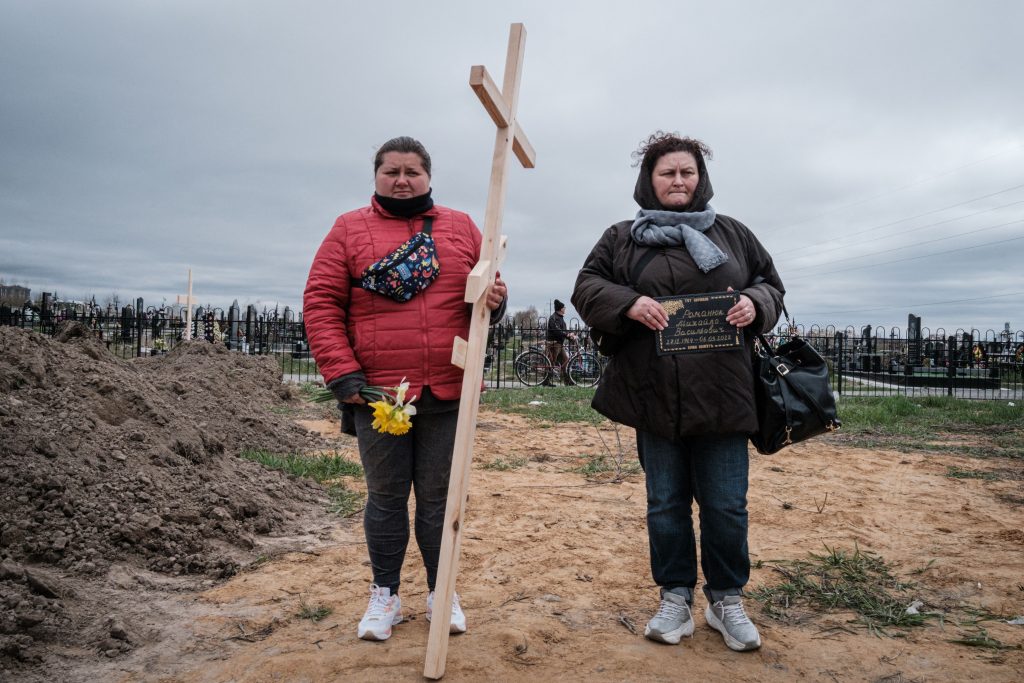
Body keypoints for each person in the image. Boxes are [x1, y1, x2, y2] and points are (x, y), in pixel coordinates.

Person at [571, 132, 785, 652]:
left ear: (701, 179)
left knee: (726, 504)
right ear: (649, 180)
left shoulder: (733, 234)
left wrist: (756, 303)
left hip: (724, 392)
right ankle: (675, 597)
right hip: (653, 393)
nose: (678, 181)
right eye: (667, 173)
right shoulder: (622, 237)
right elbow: (586, 285)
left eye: (687, 172)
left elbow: (771, 284)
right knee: (665, 503)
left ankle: (726, 599)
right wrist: (627, 303)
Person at [304, 136, 507, 642]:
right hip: (380, 395)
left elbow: (483, 294)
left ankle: (442, 592)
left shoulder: (460, 227)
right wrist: (342, 374)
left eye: (412, 171)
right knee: (387, 497)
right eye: (391, 171)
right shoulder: (348, 229)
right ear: (376, 176)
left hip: (446, 388)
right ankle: (386, 595)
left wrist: (497, 301)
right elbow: (321, 303)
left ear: (428, 177)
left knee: (440, 498)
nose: (401, 179)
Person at [544, 299, 575, 386]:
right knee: (551, 362)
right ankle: (546, 381)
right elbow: (557, 331)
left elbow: (563, 332)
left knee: (565, 361)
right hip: (554, 343)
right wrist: (567, 335)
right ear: (561, 309)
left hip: (559, 343)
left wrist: (570, 337)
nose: (565, 308)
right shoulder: (554, 318)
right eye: (564, 307)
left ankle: (567, 382)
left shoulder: (560, 318)